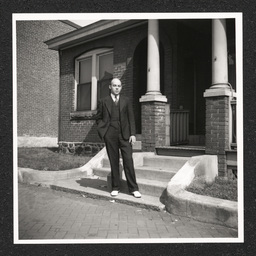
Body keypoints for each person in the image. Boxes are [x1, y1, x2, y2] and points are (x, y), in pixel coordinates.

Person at [95, 78, 141, 198]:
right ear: (110, 87)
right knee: (113, 161)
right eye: (114, 85)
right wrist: (103, 131)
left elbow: (131, 118)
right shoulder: (103, 101)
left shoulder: (126, 100)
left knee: (128, 161)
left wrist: (132, 134)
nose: (117, 88)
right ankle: (115, 187)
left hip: (125, 135)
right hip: (110, 135)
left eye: (119, 86)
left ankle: (134, 188)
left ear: (121, 87)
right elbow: (98, 117)